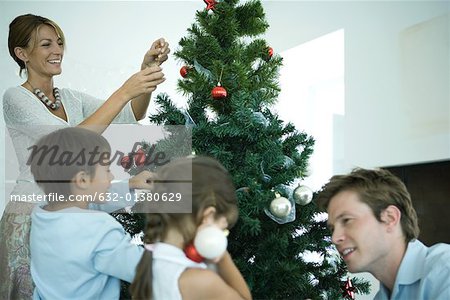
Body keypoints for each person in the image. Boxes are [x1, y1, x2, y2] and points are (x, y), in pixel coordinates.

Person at [1, 13, 169, 299]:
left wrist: (145, 71)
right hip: (31, 218)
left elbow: (131, 114)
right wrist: (124, 90)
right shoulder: (15, 98)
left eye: (59, 42)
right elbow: (68, 143)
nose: (57, 51)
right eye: (45, 45)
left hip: (70, 211)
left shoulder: (70, 98)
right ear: (22, 53)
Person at [28, 127, 144, 299]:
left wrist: (130, 185)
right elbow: (144, 270)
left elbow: (85, 211)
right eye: (106, 170)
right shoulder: (98, 229)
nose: (111, 177)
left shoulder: (43, 215)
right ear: (82, 180)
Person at [316, 168, 450, 300]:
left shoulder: (445, 270)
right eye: (332, 228)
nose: (335, 238)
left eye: (347, 220)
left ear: (390, 218)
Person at [130, 156, 252, 300]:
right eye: (222, 230)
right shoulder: (201, 281)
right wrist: (223, 258)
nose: (222, 236)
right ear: (208, 216)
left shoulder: (150, 262)